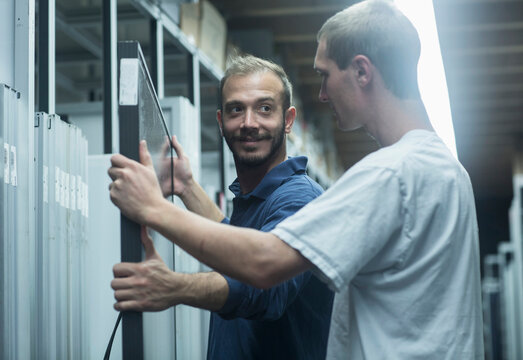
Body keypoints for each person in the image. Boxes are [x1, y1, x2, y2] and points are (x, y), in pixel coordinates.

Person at [109, 1, 484, 358]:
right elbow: (252, 247)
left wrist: (154, 209)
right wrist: (188, 189)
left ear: (362, 71)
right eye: (236, 110)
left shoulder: (389, 173)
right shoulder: (445, 168)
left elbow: (264, 266)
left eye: (325, 75)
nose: (321, 94)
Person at [110, 54, 333, 359]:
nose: (249, 123)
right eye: (236, 110)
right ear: (221, 121)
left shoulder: (300, 198)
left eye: (264, 108)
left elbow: (263, 285)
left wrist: (174, 286)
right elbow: (238, 249)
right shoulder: (257, 198)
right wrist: (186, 188)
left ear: (288, 120)